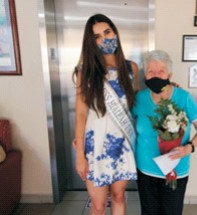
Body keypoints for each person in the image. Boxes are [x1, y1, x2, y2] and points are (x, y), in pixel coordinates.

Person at [73, 14, 139, 215]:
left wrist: (168, 90)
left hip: (122, 142)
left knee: (119, 196)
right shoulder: (86, 71)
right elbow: (81, 116)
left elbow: (135, 106)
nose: (104, 39)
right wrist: (80, 156)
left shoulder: (131, 68)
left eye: (107, 32)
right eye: (97, 37)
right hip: (95, 145)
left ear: (115, 32)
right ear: (91, 43)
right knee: (99, 205)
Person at [132, 50, 197, 215]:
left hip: (175, 171)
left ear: (170, 74)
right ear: (145, 76)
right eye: (150, 71)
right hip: (146, 170)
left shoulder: (184, 98)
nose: (156, 76)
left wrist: (188, 148)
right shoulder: (139, 98)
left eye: (161, 71)